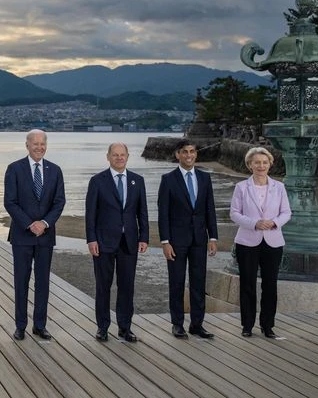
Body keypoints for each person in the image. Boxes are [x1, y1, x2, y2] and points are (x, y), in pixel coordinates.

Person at [4, 129, 65, 341]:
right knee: (21, 281)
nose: (39, 147)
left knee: (43, 282)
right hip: (22, 235)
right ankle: (20, 325)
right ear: (27, 145)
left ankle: (40, 325)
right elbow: (10, 202)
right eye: (35, 143)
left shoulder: (55, 170)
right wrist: (30, 224)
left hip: (45, 236)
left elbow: (59, 202)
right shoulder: (14, 169)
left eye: (43, 143)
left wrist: (44, 223)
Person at [85, 143, 148, 342]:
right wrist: (91, 239)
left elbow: (142, 213)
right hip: (103, 242)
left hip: (129, 242)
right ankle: (102, 327)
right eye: (115, 155)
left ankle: (125, 327)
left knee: (127, 286)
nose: (119, 158)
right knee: (103, 286)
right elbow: (90, 214)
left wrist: (144, 237)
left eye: (122, 155)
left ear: (128, 156)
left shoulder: (137, 181)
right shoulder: (97, 181)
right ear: (108, 157)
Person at [158, 139, 218, 339]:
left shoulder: (204, 178)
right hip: (176, 241)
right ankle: (177, 324)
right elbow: (163, 213)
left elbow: (210, 209)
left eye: (192, 151)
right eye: (184, 152)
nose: (189, 155)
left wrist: (213, 237)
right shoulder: (168, 179)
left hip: (200, 239)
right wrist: (165, 242)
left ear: (196, 154)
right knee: (176, 282)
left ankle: (197, 324)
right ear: (178, 155)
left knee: (198, 283)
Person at [229, 147, 291, 338]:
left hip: (273, 241)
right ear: (250, 165)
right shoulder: (241, 187)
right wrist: (255, 223)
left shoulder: (279, 187)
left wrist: (274, 223)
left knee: (270, 285)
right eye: (257, 162)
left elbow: (286, 212)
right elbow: (234, 213)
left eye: (265, 162)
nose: (261, 166)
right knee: (247, 284)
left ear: (270, 164)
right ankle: (247, 326)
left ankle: (267, 326)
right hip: (247, 242)